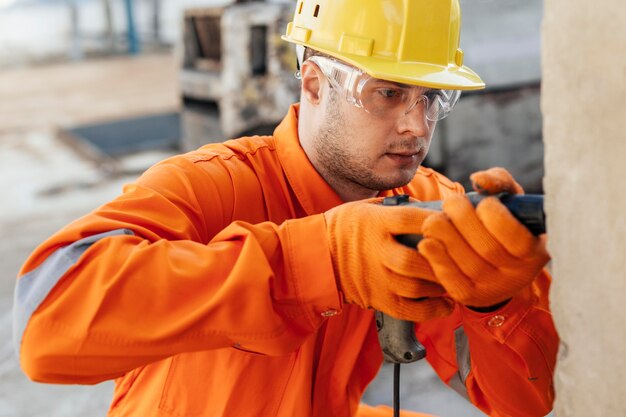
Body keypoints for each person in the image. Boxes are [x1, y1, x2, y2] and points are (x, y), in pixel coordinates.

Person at [13, 0, 558, 416]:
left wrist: (499, 305)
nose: (416, 126)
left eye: (431, 98)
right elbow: (46, 327)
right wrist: (321, 263)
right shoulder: (217, 187)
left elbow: (522, 403)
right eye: (388, 93)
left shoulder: (424, 209)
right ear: (316, 83)